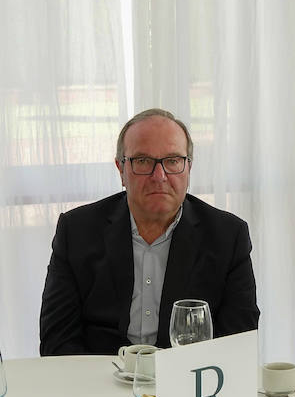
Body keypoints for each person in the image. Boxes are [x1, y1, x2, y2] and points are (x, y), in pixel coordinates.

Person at [38, 108, 259, 355]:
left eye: (173, 160)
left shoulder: (228, 237)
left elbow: (238, 344)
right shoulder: (77, 231)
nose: (159, 176)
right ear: (121, 170)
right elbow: (56, 342)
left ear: (189, 168)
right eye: (143, 161)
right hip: (98, 380)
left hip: (188, 382)